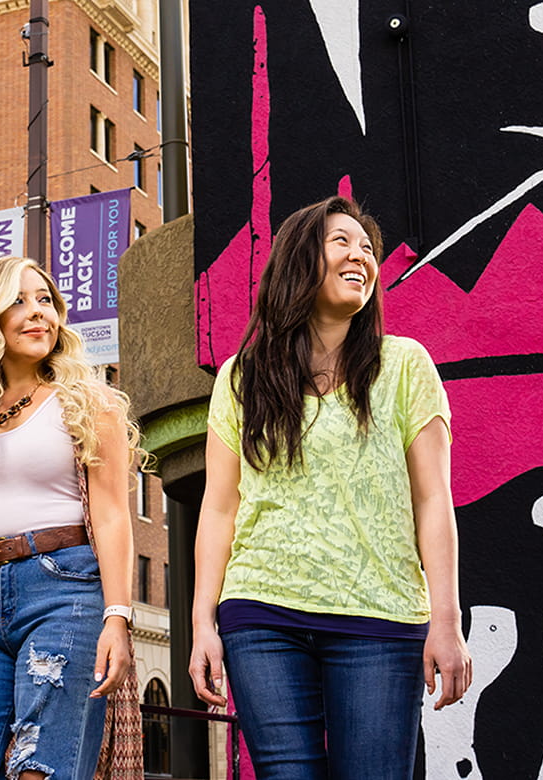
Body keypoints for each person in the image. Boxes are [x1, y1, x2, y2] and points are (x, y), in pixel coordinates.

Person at [188, 195, 473, 779]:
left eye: (368, 248)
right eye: (341, 241)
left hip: (381, 618)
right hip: (262, 612)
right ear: (299, 261)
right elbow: (218, 508)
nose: (360, 256)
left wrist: (447, 619)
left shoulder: (405, 365)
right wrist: (201, 624)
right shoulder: (242, 376)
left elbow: (432, 500)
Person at [0, 256, 143, 780]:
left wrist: (117, 617)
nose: (39, 313)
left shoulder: (87, 401)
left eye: (45, 300)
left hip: (65, 593)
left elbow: (111, 516)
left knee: (42, 769)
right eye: (18, 301)